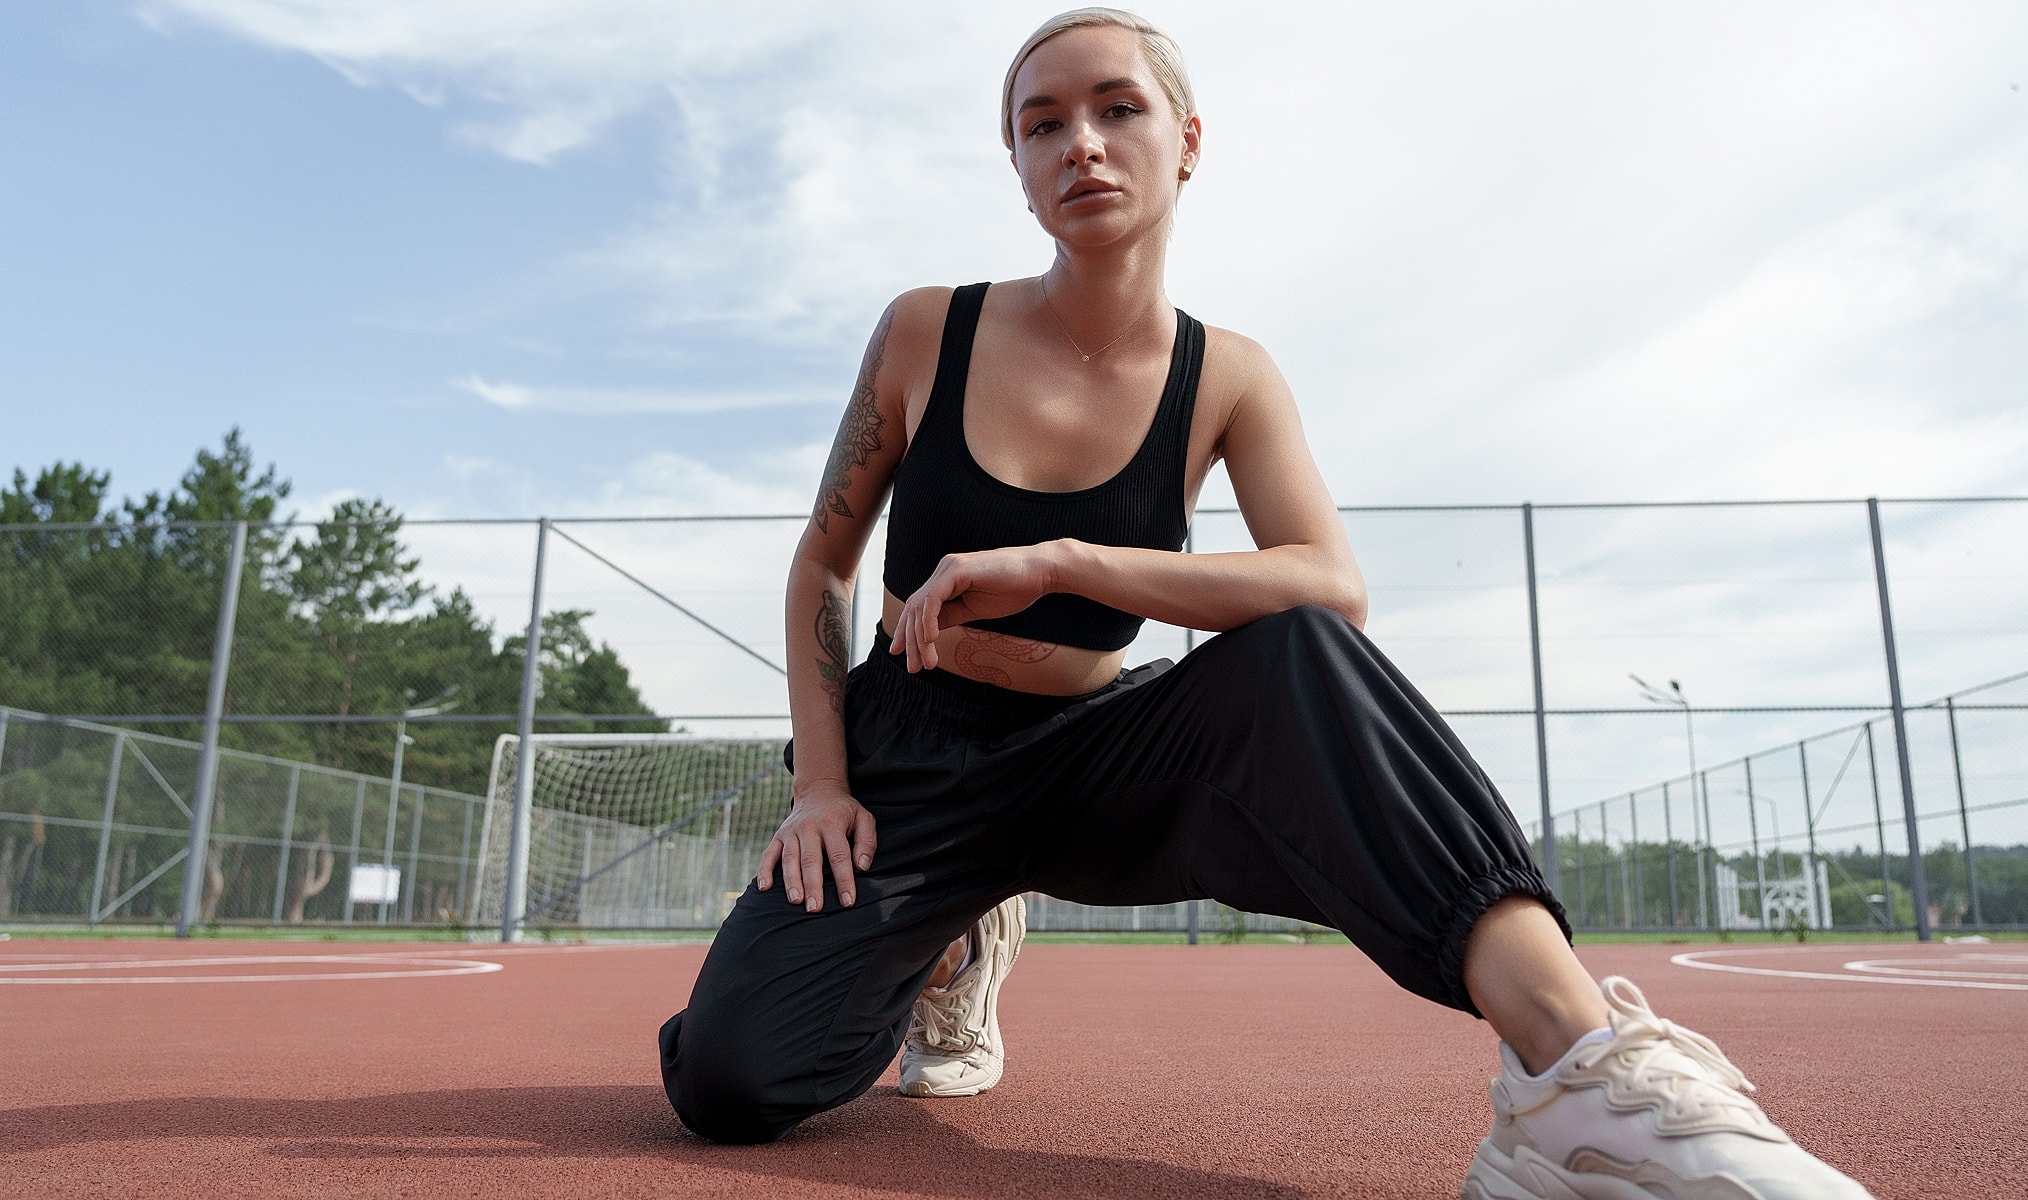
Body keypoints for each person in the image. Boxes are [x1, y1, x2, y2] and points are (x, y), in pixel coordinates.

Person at [659, 9, 1873, 1198]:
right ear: (1019, 171)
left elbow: (1326, 580)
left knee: (1299, 651)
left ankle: (1578, 1074)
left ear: (1186, 140)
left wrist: (1067, 562)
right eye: (1042, 124)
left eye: (1116, 108)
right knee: (728, 1084)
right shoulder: (929, 330)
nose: (1079, 141)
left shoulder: (1225, 374)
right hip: (913, 761)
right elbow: (823, 565)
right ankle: (949, 946)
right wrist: (822, 785)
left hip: (1098, 759)